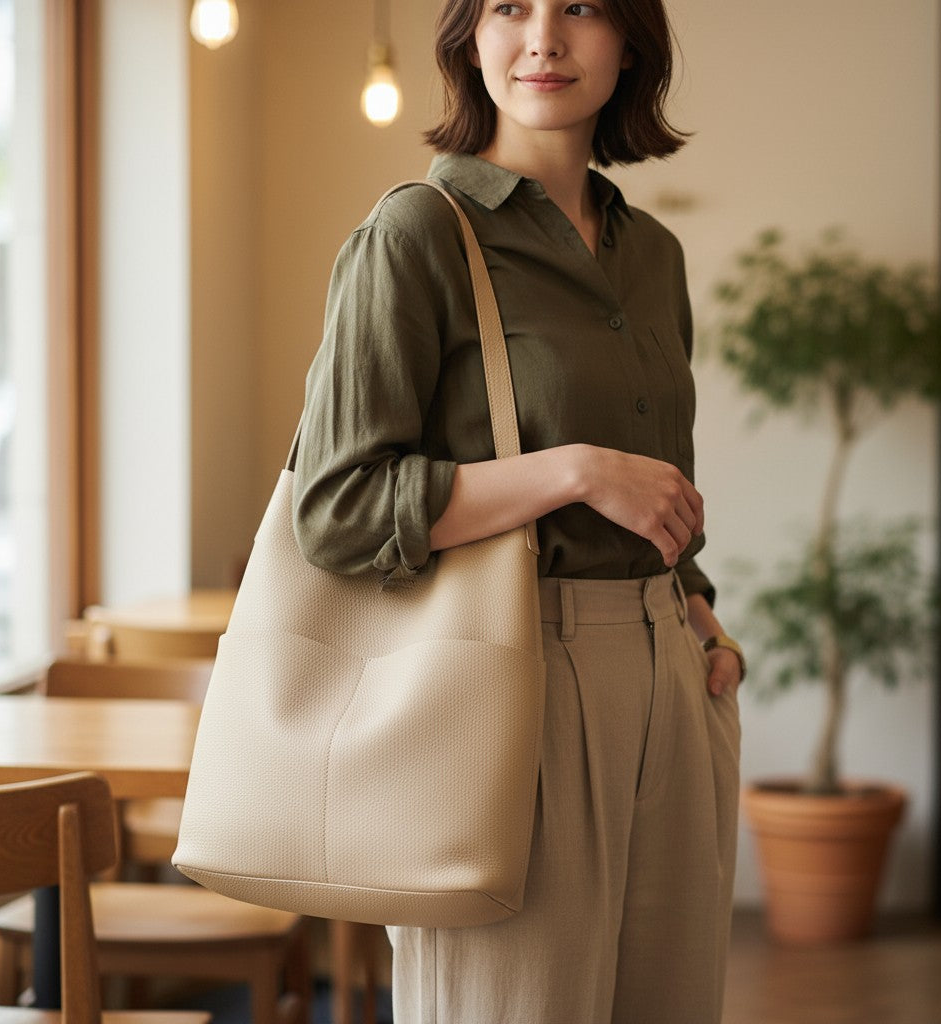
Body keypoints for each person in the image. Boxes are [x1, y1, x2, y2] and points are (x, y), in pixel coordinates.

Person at [293, 1, 743, 1020]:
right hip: (507, 680)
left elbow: (661, 484)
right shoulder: (416, 233)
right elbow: (338, 507)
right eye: (509, 6)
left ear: (628, 41)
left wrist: (703, 618)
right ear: (468, 38)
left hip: (670, 679)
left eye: (579, 7)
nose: (543, 37)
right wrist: (574, 470)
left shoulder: (653, 254)